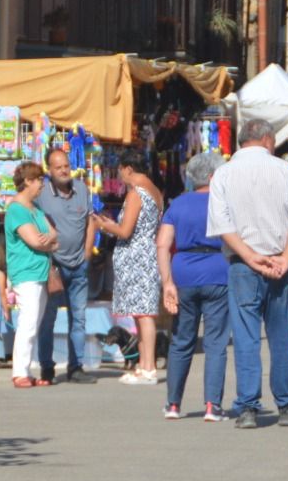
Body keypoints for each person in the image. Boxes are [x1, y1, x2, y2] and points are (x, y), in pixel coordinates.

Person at [206, 119, 288, 429]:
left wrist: (249, 256)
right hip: (279, 261)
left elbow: (222, 225)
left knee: (247, 335)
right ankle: (286, 405)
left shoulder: (222, 174)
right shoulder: (287, 171)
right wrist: (286, 258)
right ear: (266, 139)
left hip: (242, 264)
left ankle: (249, 407)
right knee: (280, 335)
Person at [155, 150, 229, 420]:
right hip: (218, 271)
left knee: (181, 340)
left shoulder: (178, 204)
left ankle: (173, 403)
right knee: (216, 342)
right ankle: (212, 405)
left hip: (183, 271)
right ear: (213, 175)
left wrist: (167, 282)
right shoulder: (224, 202)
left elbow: (162, 244)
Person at [91, 154, 164, 386]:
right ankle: (144, 365)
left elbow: (125, 231)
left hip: (136, 256)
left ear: (128, 168)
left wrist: (104, 225)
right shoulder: (155, 192)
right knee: (141, 312)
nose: (120, 177)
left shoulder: (136, 193)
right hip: (145, 253)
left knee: (143, 314)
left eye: (120, 171)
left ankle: (149, 367)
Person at [35, 147, 97, 384]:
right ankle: (47, 368)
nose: (63, 171)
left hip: (79, 265)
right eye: (58, 167)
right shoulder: (41, 193)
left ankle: (76, 367)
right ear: (49, 170)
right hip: (54, 266)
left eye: (66, 166)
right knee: (48, 318)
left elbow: (91, 222)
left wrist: (87, 253)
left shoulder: (81, 189)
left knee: (79, 318)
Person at [5, 160, 60, 388]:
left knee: (33, 323)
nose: (41, 185)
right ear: (27, 181)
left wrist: (49, 242)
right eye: (38, 180)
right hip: (25, 273)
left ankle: (26, 369)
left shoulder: (35, 210)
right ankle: (19, 372)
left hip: (40, 273)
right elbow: (36, 240)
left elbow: (53, 235)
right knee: (27, 323)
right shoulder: (17, 210)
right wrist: (49, 243)